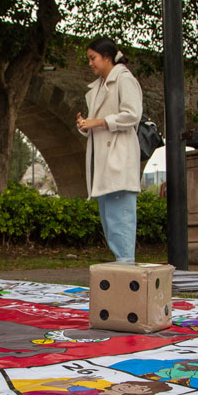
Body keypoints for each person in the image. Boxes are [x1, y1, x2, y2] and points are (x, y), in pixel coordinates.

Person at [76, 37, 142, 263]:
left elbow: (133, 114)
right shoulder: (99, 87)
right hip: (103, 163)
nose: (90, 63)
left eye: (93, 58)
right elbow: (98, 123)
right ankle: (122, 270)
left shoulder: (124, 79)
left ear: (106, 57)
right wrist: (86, 125)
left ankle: (126, 271)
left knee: (120, 221)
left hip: (118, 160)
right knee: (110, 222)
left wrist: (97, 122)